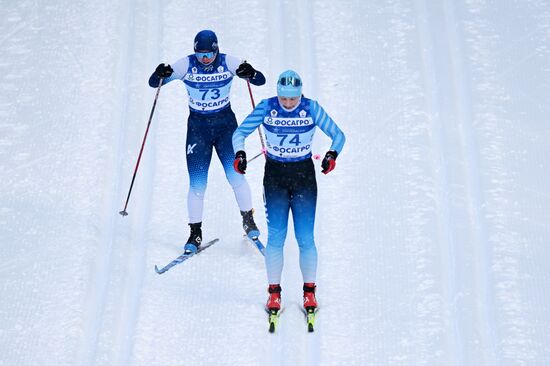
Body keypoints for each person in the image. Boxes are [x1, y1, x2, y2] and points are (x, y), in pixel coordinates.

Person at [232, 70, 345, 313]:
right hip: (275, 177)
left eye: (292, 99)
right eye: (284, 99)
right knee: (276, 239)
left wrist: (331, 154)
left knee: (305, 238)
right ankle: (274, 293)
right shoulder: (266, 107)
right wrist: (240, 153)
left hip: (303, 177)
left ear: (299, 94)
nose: (288, 103)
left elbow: (338, 135)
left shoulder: (311, 108)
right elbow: (239, 132)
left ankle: (309, 293)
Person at [148, 29, 266, 254]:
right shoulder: (186, 65)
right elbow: (155, 83)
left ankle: (248, 220)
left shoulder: (227, 61)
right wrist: (159, 73)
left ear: (216, 50)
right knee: (197, 184)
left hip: (225, 126)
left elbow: (260, 80)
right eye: (199, 54)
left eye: (208, 55)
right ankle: (195, 232)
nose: (204, 60)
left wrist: (250, 73)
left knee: (236, 176)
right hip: (198, 129)